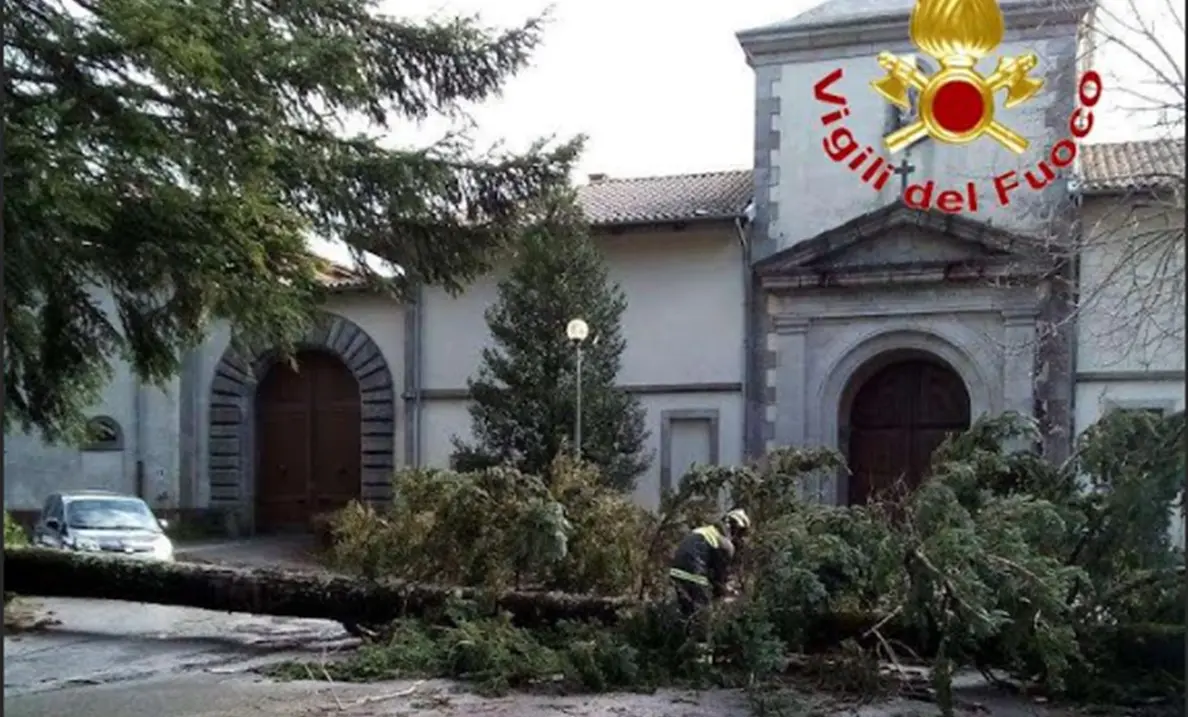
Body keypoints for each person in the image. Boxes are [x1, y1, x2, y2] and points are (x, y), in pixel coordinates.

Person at [668, 508, 751, 620]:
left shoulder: (704, 531)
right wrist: (726, 594)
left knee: (687, 614)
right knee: (702, 615)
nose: (739, 538)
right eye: (741, 533)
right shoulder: (725, 544)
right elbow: (720, 577)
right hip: (694, 574)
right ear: (735, 528)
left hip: (676, 572)